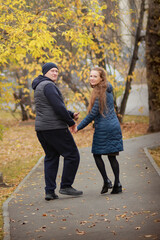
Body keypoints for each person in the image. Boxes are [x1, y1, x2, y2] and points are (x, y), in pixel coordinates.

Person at [32, 62, 83, 201]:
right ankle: (66, 186)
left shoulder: (39, 86)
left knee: (51, 157)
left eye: (56, 71)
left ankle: (49, 192)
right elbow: (58, 107)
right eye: (52, 71)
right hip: (55, 128)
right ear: (45, 72)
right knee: (72, 155)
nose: (55, 73)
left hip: (42, 129)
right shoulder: (48, 86)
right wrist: (71, 123)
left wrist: (70, 114)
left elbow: (51, 107)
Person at [76, 67, 123, 194]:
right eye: (91, 76)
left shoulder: (100, 92)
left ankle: (107, 181)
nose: (91, 78)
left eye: (95, 76)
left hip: (105, 128)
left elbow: (92, 115)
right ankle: (116, 183)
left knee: (98, 154)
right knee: (111, 156)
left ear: (101, 78)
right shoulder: (106, 88)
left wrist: (78, 127)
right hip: (113, 125)